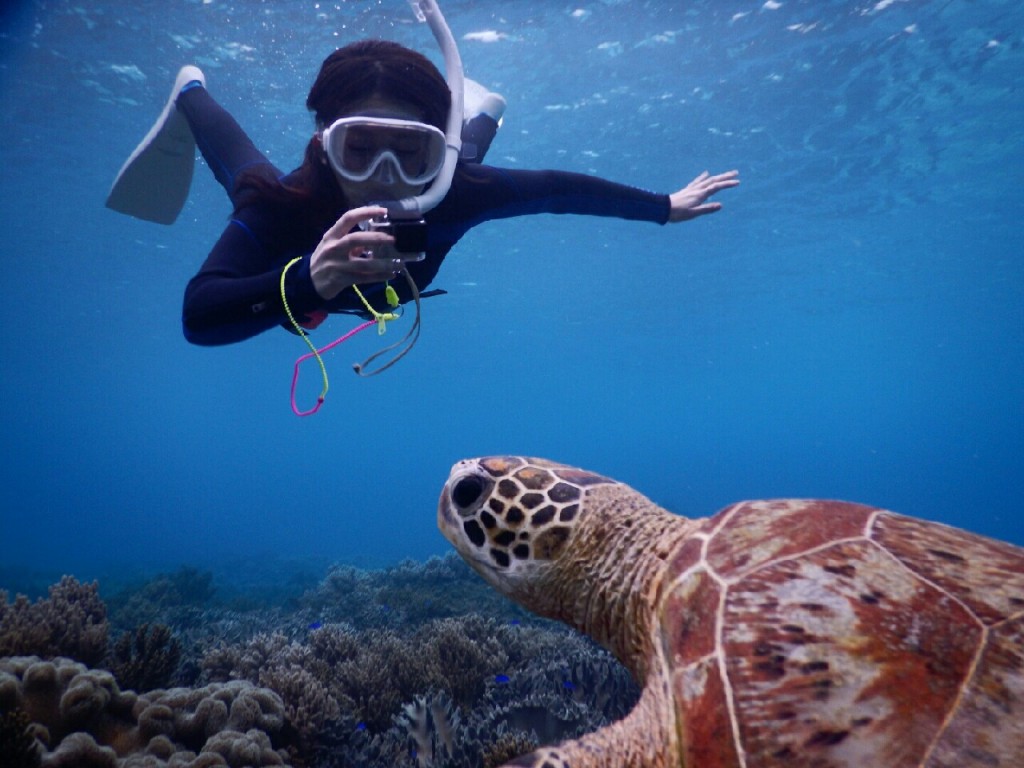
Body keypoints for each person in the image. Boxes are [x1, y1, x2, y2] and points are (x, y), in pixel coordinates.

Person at [108, 40, 739, 348]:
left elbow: (556, 188)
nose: (384, 173)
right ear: (325, 143)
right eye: (360, 147)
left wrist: (664, 206)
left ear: (433, 146)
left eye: (411, 150)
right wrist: (306, 282)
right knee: (242, 169)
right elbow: (199, 314)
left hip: (450, 173)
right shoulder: (282, 207)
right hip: (302, 256)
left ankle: (475, 117)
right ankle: (191, 90)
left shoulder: (455, 188)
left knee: (464, 168)